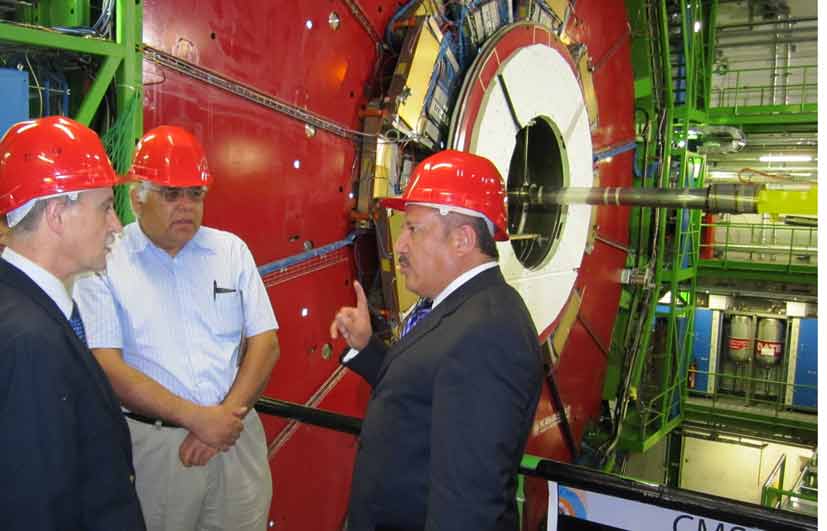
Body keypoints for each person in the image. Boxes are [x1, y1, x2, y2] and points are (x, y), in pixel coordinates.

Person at [73, 125, 280, 531]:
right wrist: (197, 420)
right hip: (156, 450)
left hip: (236, 437)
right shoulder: (105, 261)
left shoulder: (230, 252)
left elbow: (265, 343)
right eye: (171, 194)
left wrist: (222, 419)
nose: (185, 205)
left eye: (195, 194)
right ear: (136, 197)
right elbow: (108, 367)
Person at [331, 150, 543, 530]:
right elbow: (425, 394)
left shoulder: (489, 332)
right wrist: (366, 349)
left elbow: (468, 504)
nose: (400, 245)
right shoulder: (463, 311)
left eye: (414, 229)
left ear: (462, 239)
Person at [0, 116, 145, 530]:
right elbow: (33, 504)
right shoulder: (29, 339)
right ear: (57, 215)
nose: (116, 225)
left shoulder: (26, 309)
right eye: (105, 208)